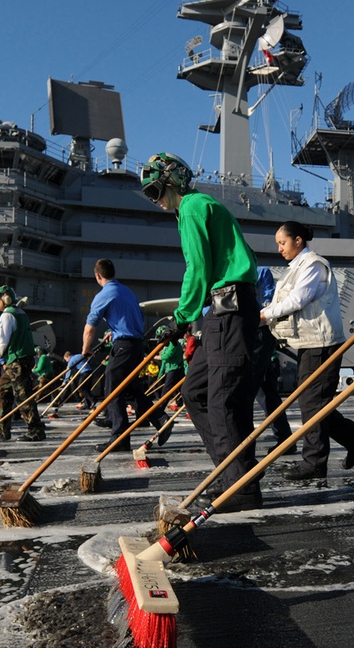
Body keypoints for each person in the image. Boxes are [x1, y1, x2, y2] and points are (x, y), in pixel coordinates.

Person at [141, 152, 262, 512]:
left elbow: (197, 268)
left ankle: (240, 488)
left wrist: (181, 317)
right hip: (221, 311)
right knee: (194, 393)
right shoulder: (194, 207)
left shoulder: (193, 208)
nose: (157, 201)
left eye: (156, 191)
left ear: (171, 183)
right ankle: (235, 474)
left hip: (229, 307)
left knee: (223, 400)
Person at [261, 221, 354, 480]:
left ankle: (314, 463)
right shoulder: (296, 268)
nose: (279, 248)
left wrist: (264, 315)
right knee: (316, 404)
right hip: (309, 344)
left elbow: (298, 299)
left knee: (312, 405)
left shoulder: (312, 265)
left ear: (298, 240)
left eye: (283, 242)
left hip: (322, 344)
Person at [82, 259, 172, 451]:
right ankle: (161, 419)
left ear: (98, 275)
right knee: (131, 390)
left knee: (112, 389)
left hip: (123, 347)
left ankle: (119, 439)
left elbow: (90, 328)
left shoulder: (104, 294)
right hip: (136, 344)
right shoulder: (128, 292)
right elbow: (134, 319)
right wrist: (114, 331)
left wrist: (85, 349)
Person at [0, 286, 46, 442]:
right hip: (20, 359)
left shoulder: (7, 315)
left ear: (5, 299)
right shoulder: (21, 313)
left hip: (17, 361)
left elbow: (3, 341)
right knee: (2, 391)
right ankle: (1, 430)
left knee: (23, 396)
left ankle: (36, 430)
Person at [252, 266, 294, 454]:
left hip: (259, 333)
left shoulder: (260, 272)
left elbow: (267, 301)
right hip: (250, 333)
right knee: (265, 391)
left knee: (252, 387)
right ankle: (285, 438)